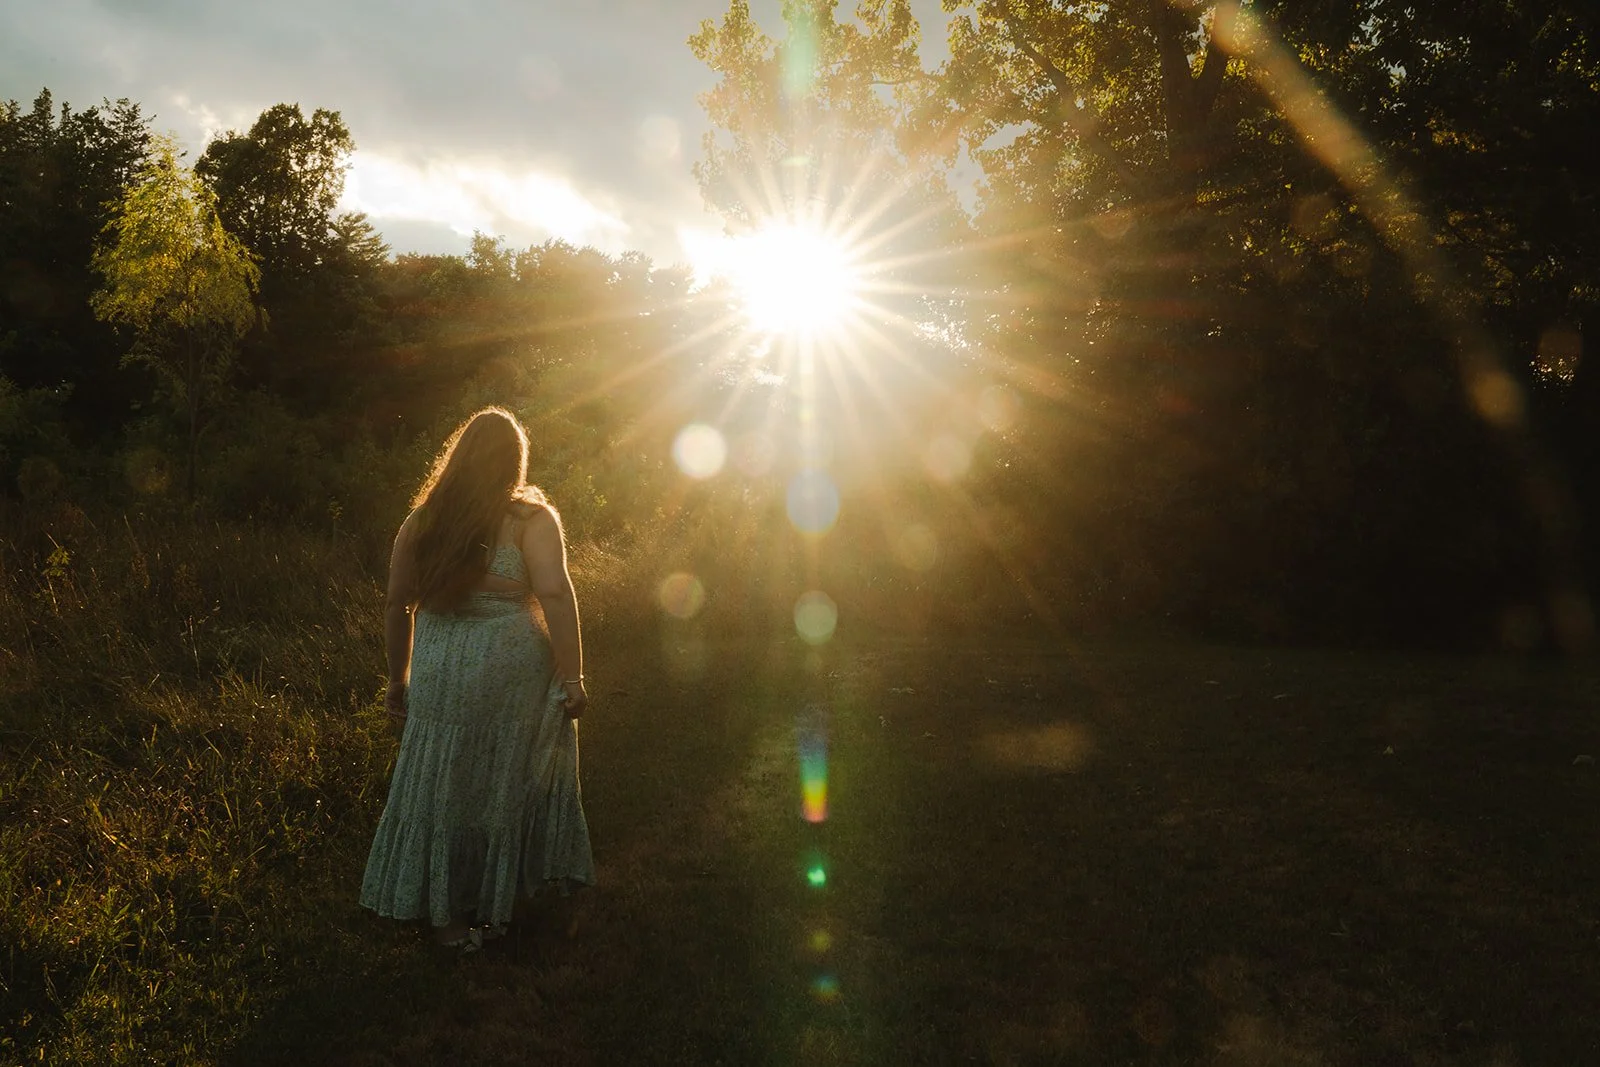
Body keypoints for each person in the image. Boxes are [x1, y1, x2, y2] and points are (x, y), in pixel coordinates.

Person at [359, 406, 594, 951]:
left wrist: (399, 680)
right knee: (511, 773)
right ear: (516, 460)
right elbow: (555, 594)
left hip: (441, 665)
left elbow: (399, 604)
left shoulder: (422, 522)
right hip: (508, 664)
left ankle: (447, 919)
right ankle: (507, 896)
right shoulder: (529, 521)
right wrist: (573, 674)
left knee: (443, 783)